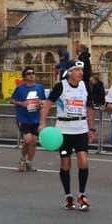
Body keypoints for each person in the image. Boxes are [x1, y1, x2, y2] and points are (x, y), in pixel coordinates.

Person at [42, 61, 96, 210]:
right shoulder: (61, 86)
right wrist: (42, 122)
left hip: (80, 129)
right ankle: (68, 196)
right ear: (70, 72)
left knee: (83, 160)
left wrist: (92, 129)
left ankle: (82, 195)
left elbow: (90, 108)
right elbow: (47, 103)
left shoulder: (85, 86)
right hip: (64, 131)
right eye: (77, 70)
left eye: (82, 70)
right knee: (65, 163)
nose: (81, 72)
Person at [11, 67, 46, 173]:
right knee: (27, 140)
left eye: (33, 73)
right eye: (28, 74)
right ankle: (22, 159)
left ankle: (29, 163)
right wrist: (21, 103)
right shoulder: (20, 88)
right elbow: (11, 100)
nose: (31, 75)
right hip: (23, 118)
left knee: (33, 142)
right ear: (24, 77)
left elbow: (44, 100)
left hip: (35, 118)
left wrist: (42, 102)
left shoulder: (39, 87)